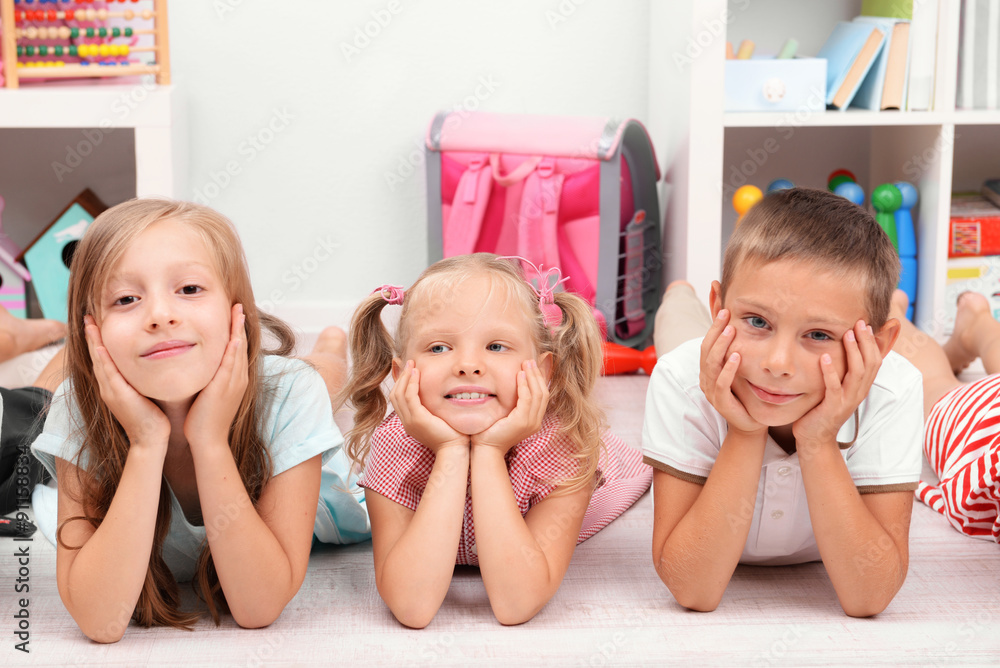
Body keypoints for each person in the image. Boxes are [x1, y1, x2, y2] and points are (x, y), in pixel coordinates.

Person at [28, 198, 366, 643]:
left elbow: (258, 606)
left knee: (318, 376)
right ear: (91, 328)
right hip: (99, 382)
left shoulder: (289, 394)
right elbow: (99, 621)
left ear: (235, 310)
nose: (160, 316)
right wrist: (147, 442)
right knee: (60, 388)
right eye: (126, 299)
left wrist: (209, 440)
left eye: (188, 290)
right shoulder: (77, 408)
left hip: (295, 442)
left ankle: (329, 345)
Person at [643, 187, 923, 617]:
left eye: (819, 335)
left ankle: (893, 311)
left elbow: (869, 595)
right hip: (709, 353)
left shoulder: (894, 390)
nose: (778, 364)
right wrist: (745, 432)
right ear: (720, 307)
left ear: (878, 345)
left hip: (789, 353)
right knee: (676, 327)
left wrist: (819, 440)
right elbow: (692, 588)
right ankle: (680, 294)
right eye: (757, 320)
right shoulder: (680, 380)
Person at [342, 253, 651, 628]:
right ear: (401, 374)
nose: (468, 365)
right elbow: (411, 605)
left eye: (496, 346)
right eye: (439, 347)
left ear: (542, 370)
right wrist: (451, 451)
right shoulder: (395, 443)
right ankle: (329, 348)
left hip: (598, 462)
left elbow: (516, 602)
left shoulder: (563, 445)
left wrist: (488, 452)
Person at [890, 289, 1000, 541]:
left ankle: (978, 324)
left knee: (935, 381)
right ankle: (890, 311)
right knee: (932, 383)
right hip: (984, 431)